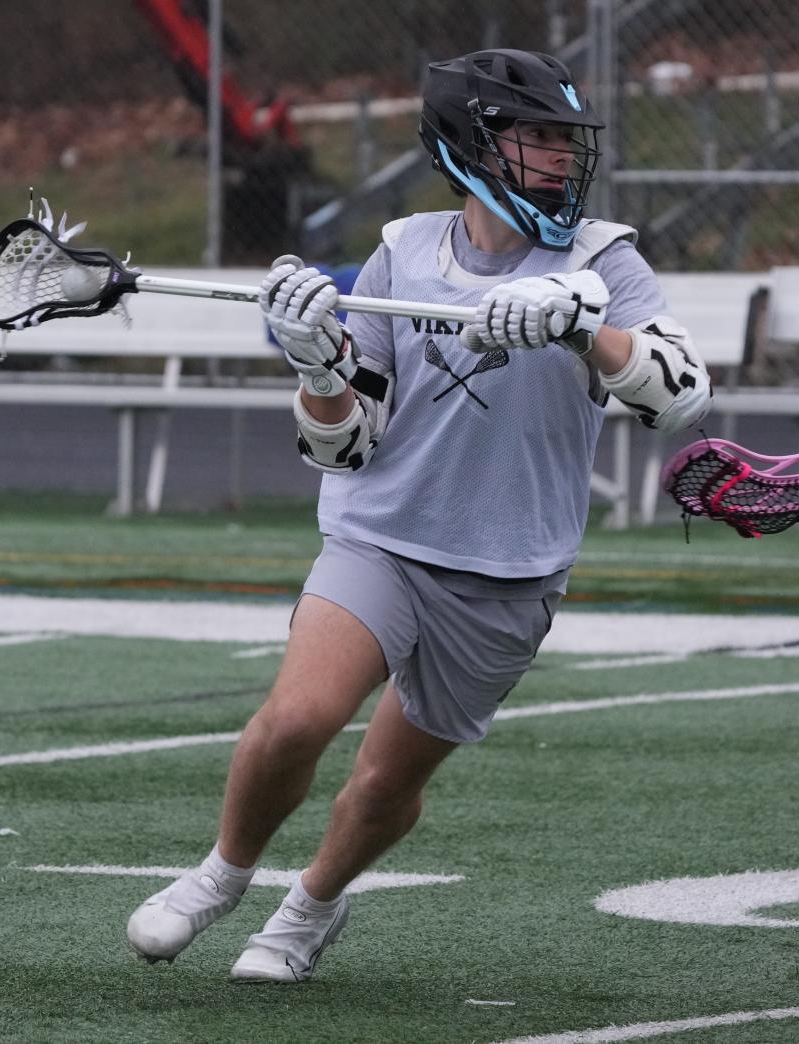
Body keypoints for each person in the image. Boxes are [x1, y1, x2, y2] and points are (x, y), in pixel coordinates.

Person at [126, 48, 712, 983]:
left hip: (509, 567)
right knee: (298, 720)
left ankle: (311, 906)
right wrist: (318, 366)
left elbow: (679, 396)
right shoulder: (402, 250)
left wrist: (579, 325)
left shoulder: (605, 260)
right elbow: (344, 445)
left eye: (570, 139)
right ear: (471, 145)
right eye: (539, 137)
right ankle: (220, 875)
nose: (563, 157)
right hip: (381, 535)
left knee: (387, 782)